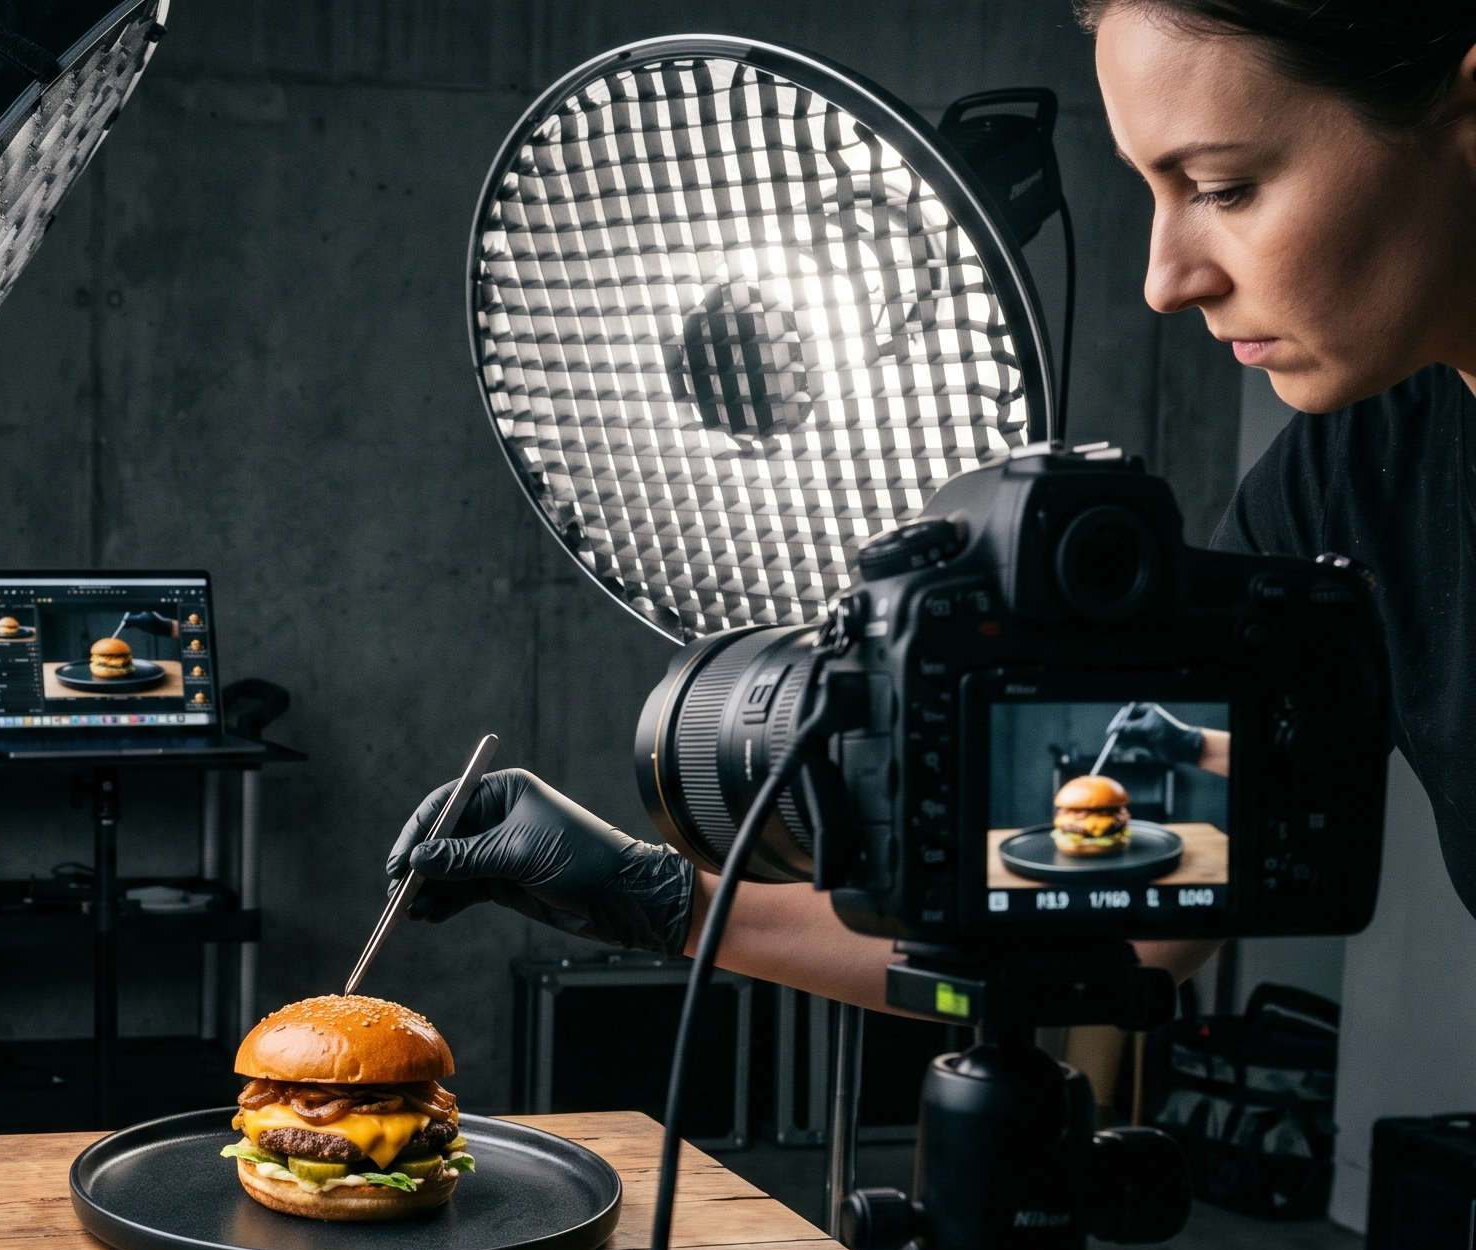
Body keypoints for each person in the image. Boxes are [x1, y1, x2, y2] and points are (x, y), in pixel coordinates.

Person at [389, 1, 1476, 1011]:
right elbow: (1129, 894)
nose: (1163, 277)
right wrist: (651, 894)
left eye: (1222, 187)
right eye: (1152, 189)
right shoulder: (1347, 479)